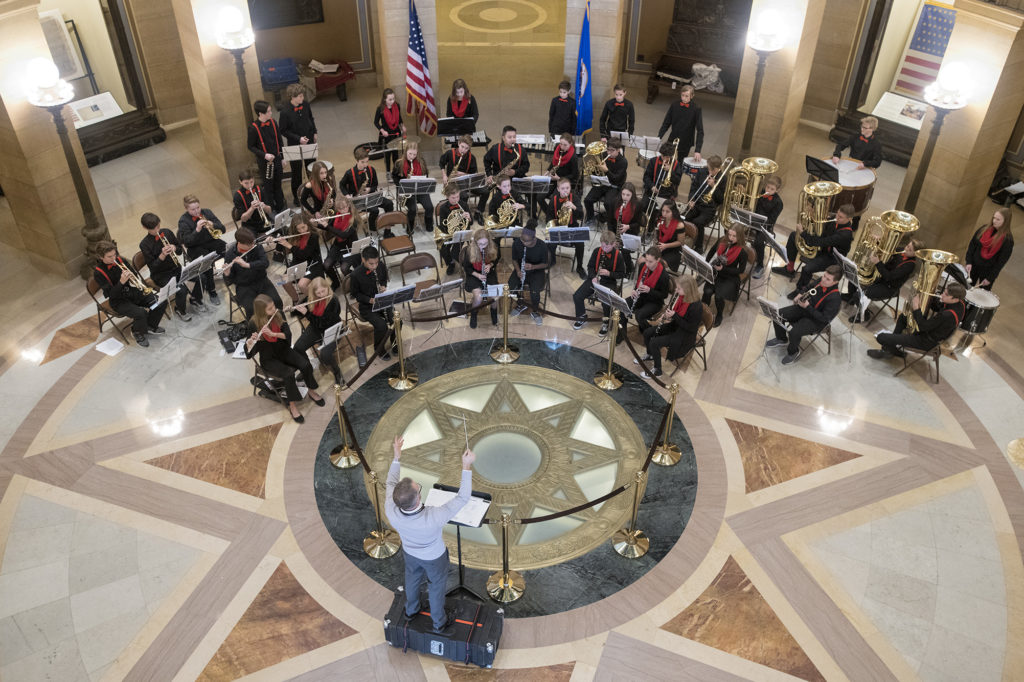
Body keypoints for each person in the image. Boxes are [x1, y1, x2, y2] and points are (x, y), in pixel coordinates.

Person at [385, 435, 476, 635]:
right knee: (436, 588)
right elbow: (463, 498)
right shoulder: (434, 516)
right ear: (417, 499)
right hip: (434, 557)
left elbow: (390, 481)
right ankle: (439, 622)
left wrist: (397, 456)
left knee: (412, 579)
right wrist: (466, 466)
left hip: (409, 552)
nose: (419, 490)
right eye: (419, 489)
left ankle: (411, 610)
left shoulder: (391, 507)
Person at [243, 294, 324, 423]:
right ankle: (292, 406)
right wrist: (250, 343)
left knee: (305, 364)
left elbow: (287, 335)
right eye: (269, 309)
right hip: (269, 358)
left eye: (273, 306)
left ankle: (311, 390)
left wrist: (273, 334)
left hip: (283, 350)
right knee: (288, 374)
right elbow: (249, 353)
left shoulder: (278, 314)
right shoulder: (253, 323)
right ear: (261, 311)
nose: (274, 309)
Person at [93, 241, 168, 347]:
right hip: (118, 300)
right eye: (109, 257)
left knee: (160, 302)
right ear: (101, 257)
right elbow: (111, 294)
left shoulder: (121, 260)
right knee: (141, 313)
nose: (114, 258)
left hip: (131, 292)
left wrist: (132, 275)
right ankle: (136, 332)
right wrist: (121, 282)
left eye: (115, 254)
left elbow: (134, 273)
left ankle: (150, 325)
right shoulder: (98, 273)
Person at [867, 282, 966, 360]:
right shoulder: (960, 304)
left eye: (946, 294)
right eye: (944, 291)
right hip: (931, 331)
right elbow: (938, 308)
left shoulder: (947, 315)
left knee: (881, 337)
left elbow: (923, 326)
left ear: (955, 299)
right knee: (903, 317)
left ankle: (889, 349)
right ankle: (891, 349)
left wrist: (916, 308)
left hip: (926, 340)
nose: (942, 294)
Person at [766, 265, 842, 365]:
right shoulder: (821, 281)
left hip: (817, 320)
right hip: (806, 308)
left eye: (828, 279)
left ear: (835, 282)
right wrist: (800, 294)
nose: (823, 280)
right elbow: (809, 287)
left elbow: (824, 318)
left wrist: (807, 307)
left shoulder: (835, 298)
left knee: (794, 332)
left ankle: (793, 352)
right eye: (824, 276)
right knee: (778, 314)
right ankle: (781, 339)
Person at [139, 212, 205, 322]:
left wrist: (174, 247)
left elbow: (180, 250)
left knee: (200, 277)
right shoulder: (144, 244)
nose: (157, 230)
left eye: (158, 226)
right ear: (145, 228)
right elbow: (153, 267)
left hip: (176, 268)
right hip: (161, 275)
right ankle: (180, 310)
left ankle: (195, 299)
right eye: (153, 229)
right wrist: (162, 255)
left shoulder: (167, 232)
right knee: (181, 290)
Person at [772, 204, 856, 290]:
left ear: (849, 219)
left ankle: (800, 290)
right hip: (822, 248)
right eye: (837, 214)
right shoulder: (834, 218)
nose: (837, 217)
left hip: (831, 257)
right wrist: (812, 215)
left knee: (807, 269)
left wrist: (803, 233)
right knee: (794, 236)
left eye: (841, 217)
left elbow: (821, 242)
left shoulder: (845, 234)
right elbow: (820, 229)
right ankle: (789, 269)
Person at [638, 274, 703, 378]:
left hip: (683, 335)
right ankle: (650, 355)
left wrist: (674, 316)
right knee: (647, 333)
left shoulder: (696, 307)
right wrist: (668, 316)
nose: (676, 290)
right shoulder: (682, 297)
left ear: (688, 290)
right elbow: (676, 314)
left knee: (654, 342)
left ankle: (657, 371)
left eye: (679, 288)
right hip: (675, 326)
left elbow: (691, 328)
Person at [846, 239, 922, 324]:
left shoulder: (910, 265)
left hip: (889, 287)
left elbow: (889, 277)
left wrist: (878, 263)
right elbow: (886, 249)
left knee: (858, 295)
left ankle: (864, 315)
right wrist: (878, 243)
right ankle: (850, 297)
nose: (906, 249)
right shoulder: (901, 250)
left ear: (916, 254)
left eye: (910, 250)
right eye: (908, 246)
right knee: (855, 276)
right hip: (881, 277)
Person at [291, 277, 345, 385]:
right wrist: (294, 309)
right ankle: (307, 368)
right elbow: (301, 314)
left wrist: (307, 313)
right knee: (298, 347)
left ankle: (337, 371)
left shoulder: (333, 301)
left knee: (325, 355)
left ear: (327, 288)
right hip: (316, 326)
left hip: (332, 328)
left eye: (323, 291)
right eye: (318, 293)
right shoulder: (312, 298)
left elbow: (323, 323)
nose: (321, 295)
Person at [572, 230, 627, 334]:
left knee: (606, 303)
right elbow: (590, 266)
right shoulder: (597, 251)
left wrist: (609, 273)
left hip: (609, 282)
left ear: (613, 244)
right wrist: (593, 277)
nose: (604, 249)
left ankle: (605, 323)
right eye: (602, 246)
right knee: (577, 296)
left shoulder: (618, 256)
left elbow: (622, 274)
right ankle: (581, 316)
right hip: (594, 280)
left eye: (607, 247)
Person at [177, 193, 226, 306]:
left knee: (227, 250)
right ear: (186, 209)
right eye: (193, 209)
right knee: (207, 264)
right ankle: (212, 291)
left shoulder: (207, 212)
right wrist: (197, 229)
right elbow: (187, 242)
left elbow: (222, 229)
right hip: (195, 248)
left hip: (211, 242)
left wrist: (212, 224)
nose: (197, 211)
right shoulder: (183, 221)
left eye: (198, 207)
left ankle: (224, 272)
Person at [222, 227, 282, 317]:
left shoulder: (256, 246)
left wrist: (247, 265)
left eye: (253, 242)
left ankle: (280, 325)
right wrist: (227, 274)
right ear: (240, 243)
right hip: (244, 286)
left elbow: (265, 263)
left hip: (261, 280)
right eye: (249, 244)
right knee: (252, 310)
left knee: (277, 302)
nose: (252, 245)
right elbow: (229, 280)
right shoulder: (230, 254)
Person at [350, 245, 394, 360]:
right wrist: (369, 300)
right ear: (363, 260)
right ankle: (379, 349)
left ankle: (394, 343)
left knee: (396, 320)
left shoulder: (380, 266)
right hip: (367, 306)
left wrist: (383, 286)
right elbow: (356, 294)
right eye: (371, 264)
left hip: (382, 300)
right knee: (381, 326)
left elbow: (383, 279)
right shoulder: (355, 275)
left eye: (376, 263)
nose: (374, 267)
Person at [339, 147, 395, 237]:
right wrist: (347, 195)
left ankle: (387, 230)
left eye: (367, 161)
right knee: (375, 210)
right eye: (362, 162)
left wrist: (370, 189)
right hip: (358, 200)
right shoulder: (349, 173)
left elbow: (375, 184)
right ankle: (372, 229)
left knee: (389, 203)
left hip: (371, 196)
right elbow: (341, 185)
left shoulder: (371, 170)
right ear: (357, 161)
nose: (365, 164)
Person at [278, 83, 318, 206]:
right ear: (292, 97)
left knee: (311, 168)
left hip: (309, 141)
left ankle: (313, 191)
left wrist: (314, 132)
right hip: (294, 144)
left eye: (302, 96)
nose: (302, 98)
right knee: (296, 172)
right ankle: (297, 196)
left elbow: (311, 119)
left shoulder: (305, 105)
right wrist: (298, 138)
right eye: (300, 96)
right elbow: (283, 130)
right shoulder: (285, 112)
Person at [702, 224, 748, 328]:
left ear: (740, 237)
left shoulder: (743, 251)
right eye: (729, 235)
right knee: (707, 291)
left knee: (719, 296)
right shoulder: (722, 240)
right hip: (717, 272)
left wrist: (724, 269)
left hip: (730, 276)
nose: (730, 238)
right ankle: (703, 311)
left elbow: (741, 270)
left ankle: (719, 315)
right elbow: (711, 251)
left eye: (734, 236)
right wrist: (706, 264)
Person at [621, 247, 671, 342]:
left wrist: (649, 290)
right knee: (622, 305)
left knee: (639, 315)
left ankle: (651, 333)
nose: (647, 264)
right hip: (641, 296)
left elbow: (664, 295)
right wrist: (634, 290)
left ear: (658, 260)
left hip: (654, 302)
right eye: (646, 260)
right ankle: (622, 334)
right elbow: (639, 283)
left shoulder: (664, 276)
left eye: (650, 262)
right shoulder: (642, 266)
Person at [277, 211, 328, 302]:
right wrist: (277, 240)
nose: (302, 231)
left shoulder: (313, 236)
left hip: (313, 263)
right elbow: (281, 249)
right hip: (298, 263)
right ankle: (296, 300)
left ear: (307, 224)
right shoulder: (294, 235)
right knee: (284, 281)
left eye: (303, 227)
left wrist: (289, 246)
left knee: (302, 285)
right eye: (298, 229)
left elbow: (304, 254)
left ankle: (317, 301)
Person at [509, 221, 551, 325]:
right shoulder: (517, 242)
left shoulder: (542, 246)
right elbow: (514, 260)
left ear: (534, 238)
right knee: (511, 286)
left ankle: (535, 311)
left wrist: (533, 266)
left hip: (537, 271)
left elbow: (545, 264)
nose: (524, 243)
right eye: (522, 240)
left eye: (526, 242)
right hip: (521, 269)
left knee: (535, 291)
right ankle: (520, 304)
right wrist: (518, 271)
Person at [247, 100, 285, 212]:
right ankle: (271, 211)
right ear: (260, 113)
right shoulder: (253, 128)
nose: (271, 113)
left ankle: (281, 208)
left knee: (278, 185)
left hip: (277, 159)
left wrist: (282, 157)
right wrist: (264, 155)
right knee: (268, 187)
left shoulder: (273, 122)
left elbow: (280, 140)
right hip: (265, 163)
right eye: (268, 111)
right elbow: (250, 146)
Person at [546, 176, 586, 279]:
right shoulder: (553, 200)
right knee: (549, 241)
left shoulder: (575, 198)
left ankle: (580, 267)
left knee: (580, 243)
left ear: (570, 188)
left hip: (572, 226)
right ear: (558, 189)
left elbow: (581, 216)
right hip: (558, 226)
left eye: (567, 188)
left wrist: (574, 207)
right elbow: (549, 217)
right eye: (563, 189)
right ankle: (552, 260)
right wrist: (552, 227)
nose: (565, 191)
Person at [965, 207, 1013, 290]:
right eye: (994, 218)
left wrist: (990, 278)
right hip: (974, 266)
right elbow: (972, 245)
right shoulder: (984, 229)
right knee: (966, 289)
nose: (994, 221)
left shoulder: (1007, 240)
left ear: (1005, 222)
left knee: (981, 296)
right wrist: (969, 262)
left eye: (998, 219)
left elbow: (1000, 262)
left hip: (988, 272)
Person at [461, 228, 501, 328]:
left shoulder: (494, 247)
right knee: (478, 297)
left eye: (485, 243)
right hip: (474, 274)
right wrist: (478, 275)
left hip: (489, 273)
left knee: (494, 296)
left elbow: (497, 258)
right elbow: (467, 268)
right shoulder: (469, 250)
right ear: (475, 242)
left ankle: (494, 314)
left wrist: (490, 265)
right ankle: (473, 315)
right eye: (480, 244)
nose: (483, 246)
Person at [684, 155, 725, 251]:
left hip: (709, 208)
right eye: (708, 168)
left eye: (710, 169)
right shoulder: (702, 172)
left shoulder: (723, 179)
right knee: (685, 217)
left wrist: (714, 186)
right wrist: (691, 200)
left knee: (698, 222)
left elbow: (721, 199)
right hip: (697, 203)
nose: (708, 171)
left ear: (717, 169)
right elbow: (693, 187)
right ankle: (686, 240)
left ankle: (699, 247)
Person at [392, 141, 433, 234]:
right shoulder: (399, 163)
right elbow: (394, 177)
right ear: (406, 151)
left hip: (420, 189)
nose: (412, 156)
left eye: (414, 154)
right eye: (410, 154)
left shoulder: (421, 162)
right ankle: (409, 227)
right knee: (413, 209)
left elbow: (426, 175)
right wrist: (403, 182)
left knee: (429, 207)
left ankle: (429, 224)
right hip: (407, 191)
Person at [583, 139, 627, 225]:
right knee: (587, 200)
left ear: (618, 150)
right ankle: (590, 218)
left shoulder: (623, 162)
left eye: (612, 150)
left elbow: (616, 179)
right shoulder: (603, 155)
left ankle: (605, 219)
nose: (609, 153)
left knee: (608, 203)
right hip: (601, 184)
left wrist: (606, 170)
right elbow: (596, 172)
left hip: (614, 186)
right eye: (608, 149)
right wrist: (592, 170)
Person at [641, 143, 683, 230]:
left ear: (671, 156)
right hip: (651, 192)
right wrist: (652, 186)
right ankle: (642, 226)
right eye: (663, 156)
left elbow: (677, 181)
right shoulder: (653, 161)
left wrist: (670, 172)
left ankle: (651, 230)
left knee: (657, 211)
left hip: (666, 195)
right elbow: (646, 177)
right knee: (642, 206)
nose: (665, 159)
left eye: (667, 157)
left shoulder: (676, 165)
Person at [657, 84, 704, 160]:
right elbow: (666, 123)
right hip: (673, 138)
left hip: (686, 141)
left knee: (680, 164)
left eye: (686, 96)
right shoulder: (674, 105)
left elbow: (700, 130)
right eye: (682, 95)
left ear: (692, 96)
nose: (684, 98)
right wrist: (659, 137)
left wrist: (698, 150)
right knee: (666, 160)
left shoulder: (696, 109)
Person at [750, 175, 784, 279]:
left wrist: (759, 223)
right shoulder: (760, 192)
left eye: (772, 189)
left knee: (759, 242)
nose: (768, 190)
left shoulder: (778, 203)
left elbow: (771, 220)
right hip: (752, 221)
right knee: (734, 229)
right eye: (767, 187)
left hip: (766, 226)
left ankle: (760, 265)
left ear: (777, 190)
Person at [320, 194, 360, 280]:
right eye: (339, 209)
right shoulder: (336, 215)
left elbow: (344, 235)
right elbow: (328, 227)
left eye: (344, 207)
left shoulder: (354, 219)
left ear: (348, 205)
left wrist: (327, 226)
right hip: (338, 245)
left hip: (350, 247)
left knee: (344, 268)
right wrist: (318, 223)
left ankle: (355, 279)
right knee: (326, 265)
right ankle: (335, 283)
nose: (342, 211)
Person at [437, 183, 471, 275]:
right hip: (449, 232)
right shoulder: (443, 208)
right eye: (453, 198)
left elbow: (470, 223)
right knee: (443, 248)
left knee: (455, 252)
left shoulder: (463, 205)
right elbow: (443, 226)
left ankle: (468, 267)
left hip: (462, 232)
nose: (456, 200)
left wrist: (468, 217)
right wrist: (457, 220)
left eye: (457, 197)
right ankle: (450, 263)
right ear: (447, 196)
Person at [233, 169, 274, 235]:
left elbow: (269, 211)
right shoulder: (238, 196)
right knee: (251, 240)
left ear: (254, 180)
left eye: (251, 182)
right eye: (246, 183)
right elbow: (243, 219)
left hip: (263, 221)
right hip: (249, 225)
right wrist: (252, 208)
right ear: (240, 182)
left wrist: (264, 207)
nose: (250, 185)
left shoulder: (260, 189)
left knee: (282, 230)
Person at [374, 88, 405, 173]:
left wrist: (402, 126)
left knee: (395, 154)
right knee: (387, 155)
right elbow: (376, 122)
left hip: (396, 133)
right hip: (386, 134)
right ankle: (388, 172)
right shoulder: (380, 109)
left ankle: (395, 171)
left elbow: (399, 118)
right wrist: (382, 131)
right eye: (390, 99)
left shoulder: (397, 106)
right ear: (385, 99)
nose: (392, 101)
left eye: (393, 99)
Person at [654, 201, 687, 272]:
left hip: (673, 251)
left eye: (667, 211)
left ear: (673, 212)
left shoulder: (679, 225)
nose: (664, 214)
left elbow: (680, 242)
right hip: (661, 247)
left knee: (657, 265)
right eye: (663, 211)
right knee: (642, 260)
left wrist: (665, 246)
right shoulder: (661, 220)